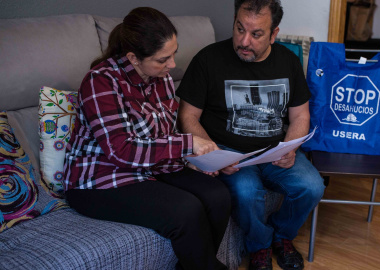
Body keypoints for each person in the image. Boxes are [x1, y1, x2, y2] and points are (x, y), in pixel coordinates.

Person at [63, 7, 231, 270]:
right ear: (133, 57)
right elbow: (121, 150)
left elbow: (164, 136)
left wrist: (192, 160)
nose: (172, 65)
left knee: (218, 195)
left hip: (151, 167)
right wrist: (188, 144)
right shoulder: (101, 82)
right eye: (163, 59)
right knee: (185, 210)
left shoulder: (160, 77)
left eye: (173, 54)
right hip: (100, 179)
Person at [176, 1, 325, 270]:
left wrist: (289, 148)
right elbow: (187, 116)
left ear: (273, 34)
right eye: (239, 29)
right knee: (246, 192)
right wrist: (215, 154)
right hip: (228, 151)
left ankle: (281, 237)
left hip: (274, 150)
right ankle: (259, 245)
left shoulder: (287, 61)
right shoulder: (208, 59)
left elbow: (301, 116)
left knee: (312, 186)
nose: (244, 41)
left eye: (256, 34)